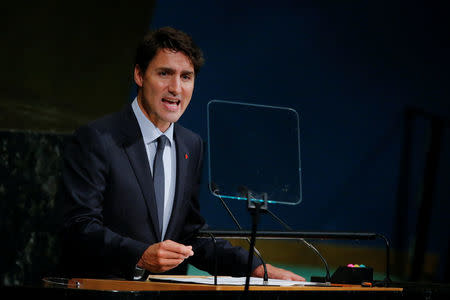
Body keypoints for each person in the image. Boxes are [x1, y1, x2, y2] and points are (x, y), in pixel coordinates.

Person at [59, 26, 304, 281]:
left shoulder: (191, 145)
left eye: (186, 77)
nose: (176, 88)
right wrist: (140, 255)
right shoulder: (97, 139)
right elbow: (78, 227)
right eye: (165, 73)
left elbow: (190, 236)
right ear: (139, 75)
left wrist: (255, 268)